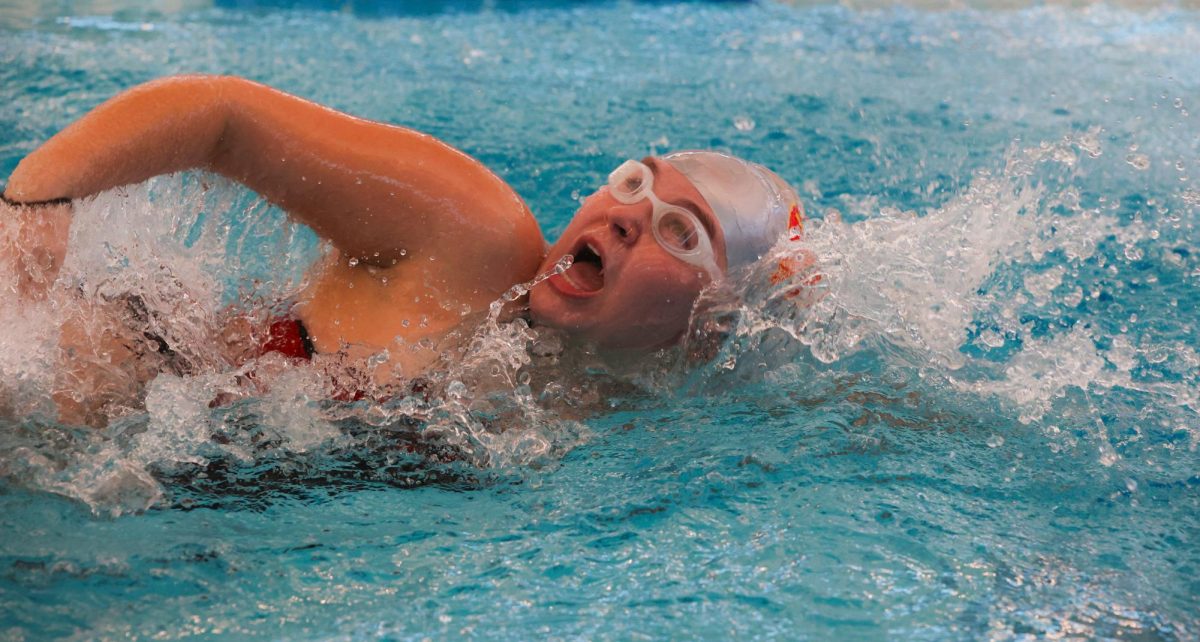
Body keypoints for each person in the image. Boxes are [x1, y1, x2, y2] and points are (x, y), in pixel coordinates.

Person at [1, 75, 804, 422]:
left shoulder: (641, 426)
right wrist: (32, 203)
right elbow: (222, 117)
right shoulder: (471, 237)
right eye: (634, 184)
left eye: (680, 232)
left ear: (708, 325)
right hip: (87, 375)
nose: (628, 215)